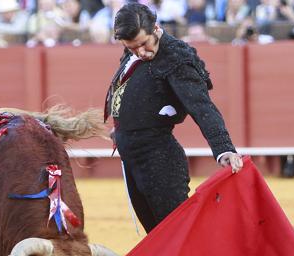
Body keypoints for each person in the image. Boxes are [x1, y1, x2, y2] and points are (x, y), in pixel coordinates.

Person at [104, 2, 243, 234]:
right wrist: (122, 127)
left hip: (160, 161)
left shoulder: (176, 56)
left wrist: (223, 148)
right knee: (157, 238)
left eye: (143, 44)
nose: (141, 52)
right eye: (132, 48)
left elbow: (202, 106)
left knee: (178, 235)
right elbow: (133, 93)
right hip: (133, 159)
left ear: (156, 28)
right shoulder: (133, 53)